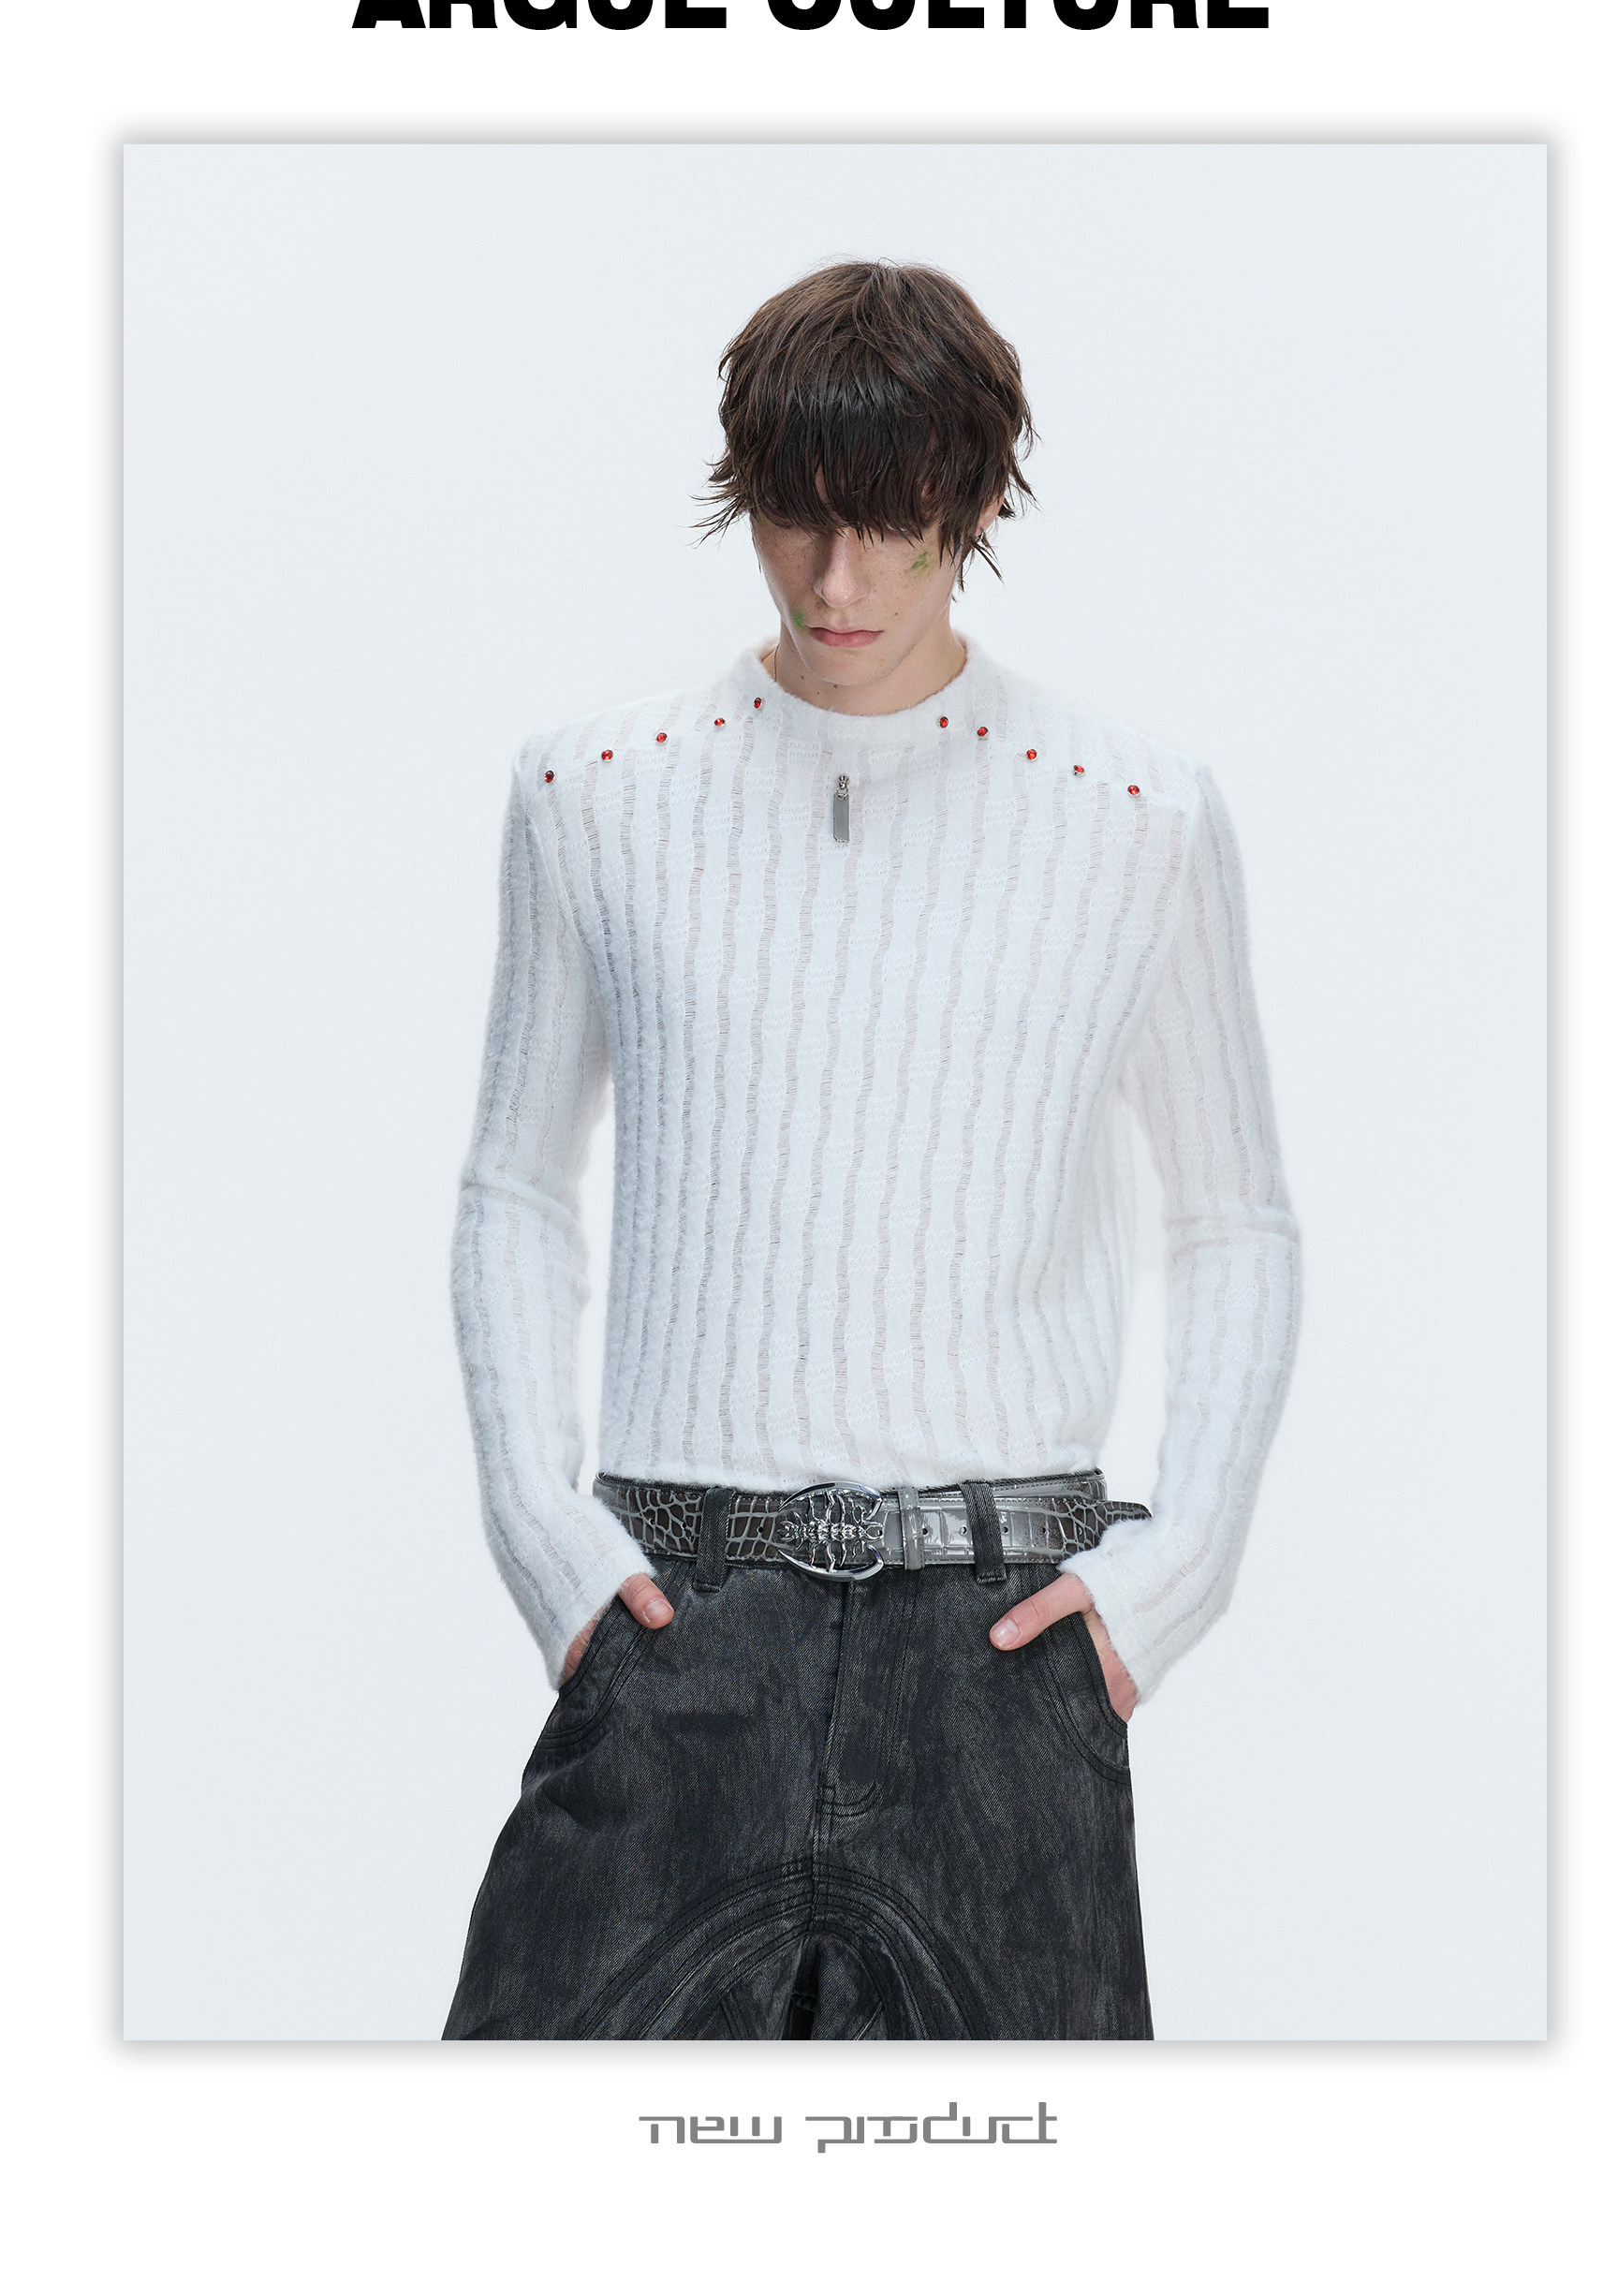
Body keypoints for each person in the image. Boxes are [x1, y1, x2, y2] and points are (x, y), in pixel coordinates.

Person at [441, 261, 1302, 2040]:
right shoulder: (595, 793)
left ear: (974, 504)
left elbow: (1235, 1220)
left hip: (1002, 1653)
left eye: (893, 526)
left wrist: (1172, 1578)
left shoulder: (1136, 818)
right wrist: (545, 1536)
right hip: (679, 1623)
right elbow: (515, 1185)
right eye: (796, 520)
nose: (838, 584)